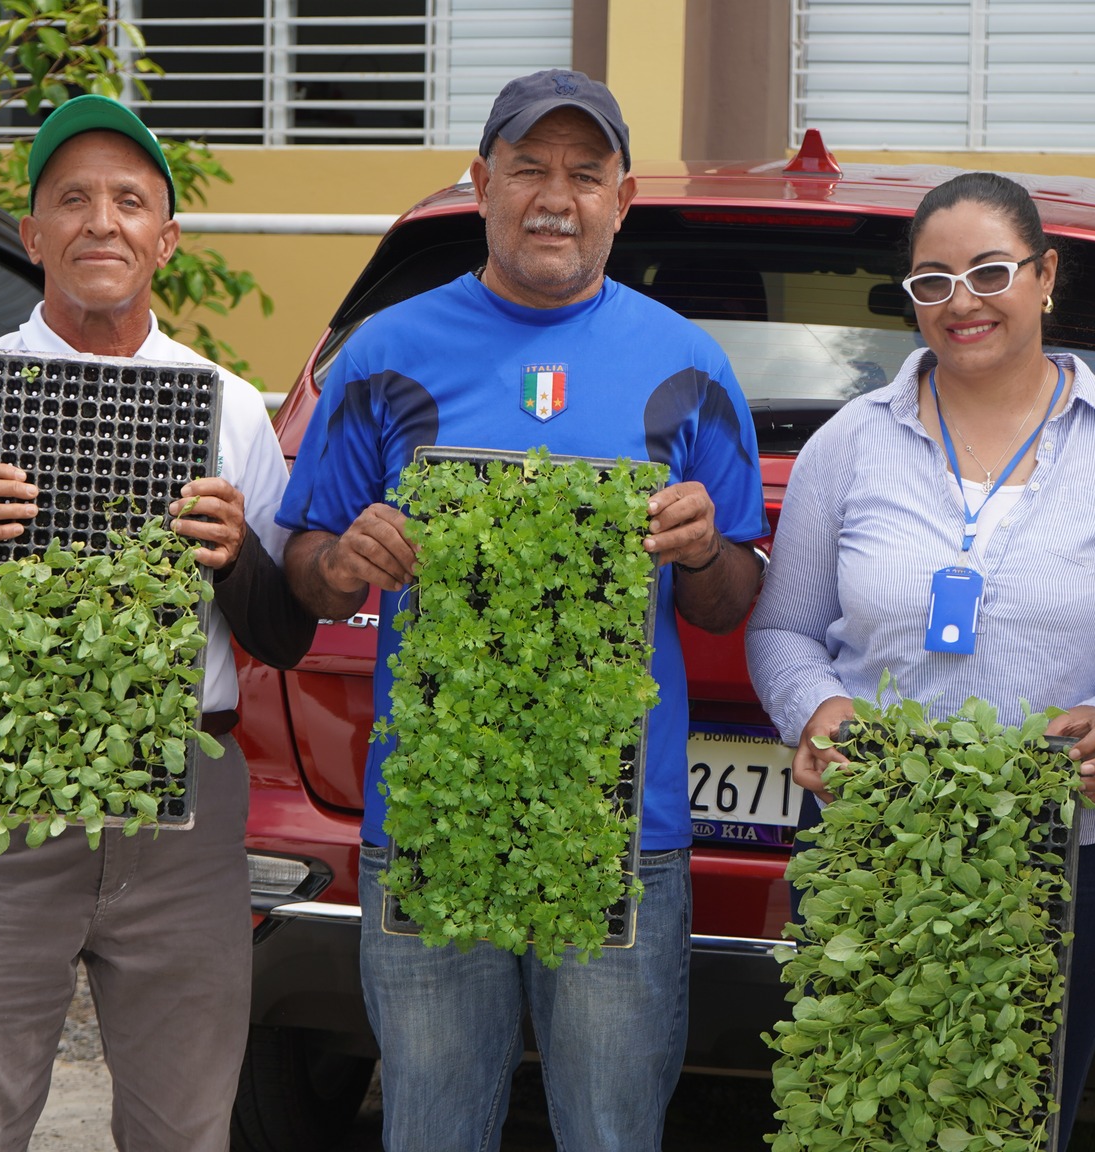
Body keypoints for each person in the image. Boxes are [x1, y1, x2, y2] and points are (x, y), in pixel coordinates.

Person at [274, 69, 765, 1151]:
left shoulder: (687, 368)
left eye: (583, 174)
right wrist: (344, 558)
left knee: (609, 1130)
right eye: (529, 169)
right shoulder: (385, 355)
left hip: (623, 836)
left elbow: (734, 600)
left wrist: (700, 550)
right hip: (434, 833)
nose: (556, 196)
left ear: (621, 197)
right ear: (480, 184)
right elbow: (301, 559)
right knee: (433, 1125)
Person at [0, 95, 314, 1150]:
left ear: (164, 239)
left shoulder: (227, 407)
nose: (103, 221)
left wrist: (234, 564)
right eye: (73, 199)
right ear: (31, 233)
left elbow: (284, 637)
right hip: (0, 811)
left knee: (184, 1128)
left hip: (186, 822)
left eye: (130, 200)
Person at [744, 171, 1095, 1149]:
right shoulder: (850, 445)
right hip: (877, 850)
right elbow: (780, 631)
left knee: (1015, 1124)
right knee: (862, 1122)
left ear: (1044, 276)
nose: (961, 302)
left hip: (1071, 857)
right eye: (932, 282)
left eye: (989, 272)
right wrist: (816, 710)